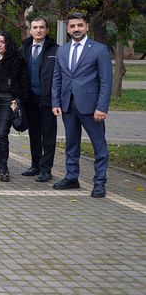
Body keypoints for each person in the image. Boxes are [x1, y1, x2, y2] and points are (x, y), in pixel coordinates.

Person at [52, 12, 112, 198]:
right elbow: (57, 78)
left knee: (99, 145)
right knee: (71, 144)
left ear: (87, 27)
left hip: (92, 108)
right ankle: (72, 177)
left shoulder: (99, 50)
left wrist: (102, 107)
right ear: (68, 29)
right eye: (72, 26)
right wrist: (56, 101)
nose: (76, 29)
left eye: (80, 25)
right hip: (68, 105)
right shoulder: (62, 50)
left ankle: (100, 183)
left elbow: (106, 81)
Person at [0, 30, 28, 182]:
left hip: (7, 101)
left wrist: (17, 100)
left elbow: (22, 82)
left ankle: (4, 168)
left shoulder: (16, 59)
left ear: (8, 42)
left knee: (2, 134)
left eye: (2, 42)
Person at [19, 16, 59, 182]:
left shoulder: (55, 49)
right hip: (29, 99)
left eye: (41, 27)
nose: (38, 30)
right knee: (34, 134)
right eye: (35, 27)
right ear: (30, 30)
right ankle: (35, 165)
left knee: (48, 136)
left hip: (48, 100)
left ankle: (46, 169)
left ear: (47, 30)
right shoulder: (24, 47)